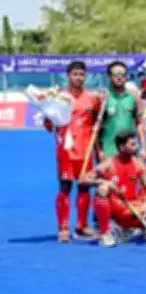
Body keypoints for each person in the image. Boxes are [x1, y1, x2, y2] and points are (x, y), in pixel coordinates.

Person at [45, 61, 102, 242]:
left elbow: (96, 125)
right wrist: (48, 117)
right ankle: (63, 228)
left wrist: (98, 150)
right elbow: (49, 126)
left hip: (86, 152)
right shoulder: (59, 98)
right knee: (65, 187)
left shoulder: (92, 99)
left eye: (82, 74)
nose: (79, 78)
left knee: (84, 187)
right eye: (75, 74)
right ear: (68, 76)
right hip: (66, 152)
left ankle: (81, 226)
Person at [79, 130, 146, 248]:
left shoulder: (138, 164)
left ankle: (128, 228)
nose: (137, 147)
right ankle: (105, 233)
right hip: (113, 207)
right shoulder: (108, 163)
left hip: (129, 205)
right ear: (122, 147)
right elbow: (82, 180)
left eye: (136, 143)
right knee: (102, 188)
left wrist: (145, 205)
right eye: (133, 144)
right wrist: (102, 181)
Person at [99, 61, 146, 161]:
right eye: (116, 74)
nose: (119, 77)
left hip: (130, 152)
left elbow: (139, 124)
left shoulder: (134, 96)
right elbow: (97, 127)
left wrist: (143, 148)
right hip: (109, 153)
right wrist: (99, 151)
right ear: (109, 76)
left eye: (122, 74)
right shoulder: (102, 97)